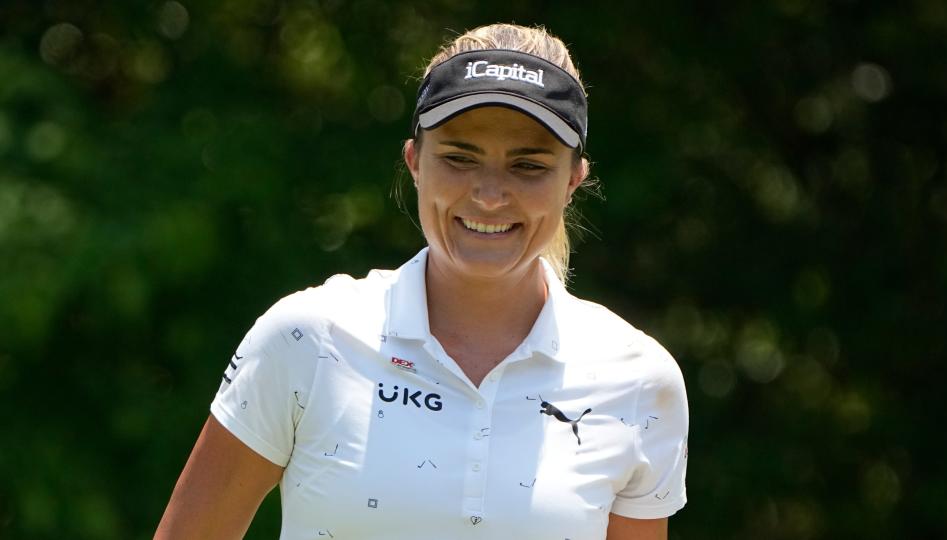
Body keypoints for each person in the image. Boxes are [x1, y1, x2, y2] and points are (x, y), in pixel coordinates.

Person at [155, 23, 689, 540]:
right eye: (459, 158)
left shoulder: (640, 381)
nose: (488, 195)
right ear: (414, 163)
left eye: (528, 166)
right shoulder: (307, 339)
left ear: (574, 179)